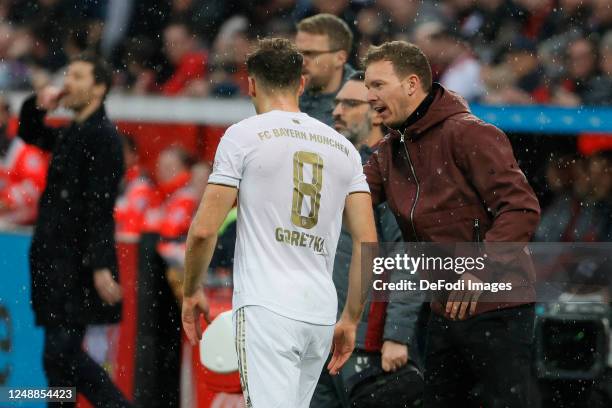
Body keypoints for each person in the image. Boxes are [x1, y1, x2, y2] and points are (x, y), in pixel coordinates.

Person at [182, 38, 377, 408]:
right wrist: (351, 317)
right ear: (301, 84)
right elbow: (368, 242)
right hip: (320, 312)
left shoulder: (243, 136)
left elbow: (205, 228)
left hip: (267, 308)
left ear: (251, 84)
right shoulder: (343, 148)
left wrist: (192, 290)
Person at [362, 41, 541, 407]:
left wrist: (479, 269)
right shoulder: (389, 149)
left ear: (412, 84)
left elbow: (521, 208)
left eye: (378, 85)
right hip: (442, 310)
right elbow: (349, 195)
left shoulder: (469, 133)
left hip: (497, 307)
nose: (369, 96)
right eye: (368, 87)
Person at [18, 54, 131, 408]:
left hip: (77, 265)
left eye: (78, 76)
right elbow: (30, 132)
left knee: (63, 352)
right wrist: (38, 104)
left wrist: (100, 265)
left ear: (99, 87)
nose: (68, 83)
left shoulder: (104, 138)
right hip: (54, 261)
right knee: (55, 361)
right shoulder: (72, 131)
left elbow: (100, 206)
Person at [311, 71, 423, 408]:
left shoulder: (395, 173)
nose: (337, 111)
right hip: (326, 335)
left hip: (367, 343)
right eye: (336, 103)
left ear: (377, 113)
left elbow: (409, 257)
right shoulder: (349, 167)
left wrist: (396, 336)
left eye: (350, 103)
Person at [296, 13, 355, 126]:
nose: (301, 61)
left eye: (310, 53)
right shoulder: (285, 93)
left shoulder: (365, 101)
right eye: (297, 53)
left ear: (340, 58)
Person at [0, 96, 47, 226]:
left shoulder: (25, 152)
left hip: (18, 231)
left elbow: (37, 189)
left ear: (8, 116)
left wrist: (6, 200)